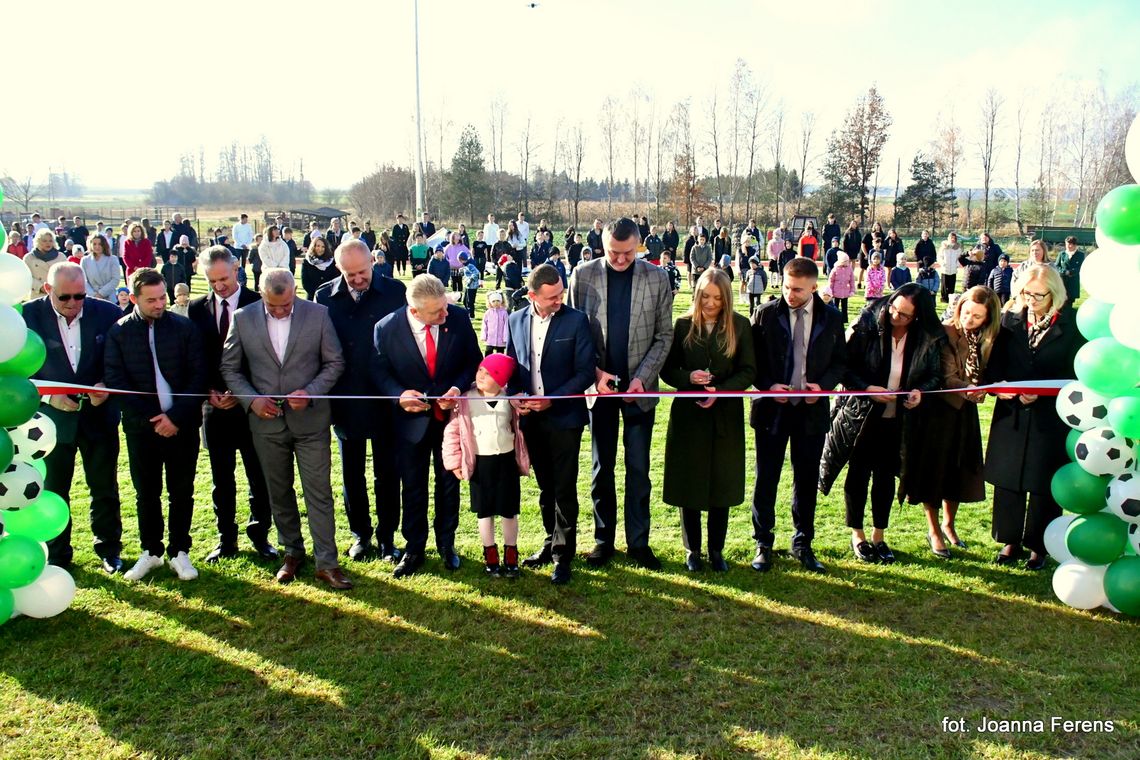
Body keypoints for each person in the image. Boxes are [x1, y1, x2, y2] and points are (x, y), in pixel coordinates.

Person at [220, 268, 351, 588]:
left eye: (287, 304)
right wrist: (251, 400)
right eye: (274, 306)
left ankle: (327, 562)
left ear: (294, 293)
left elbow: (335, 362)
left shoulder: (318, 315)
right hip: (266, 425)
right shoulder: (242, 318)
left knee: (318, 492)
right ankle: (292, 553)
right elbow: (230, 367)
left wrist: (311, 392)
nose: (282, 311)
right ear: (262, 295)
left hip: (311, 422)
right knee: (278, 491)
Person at [568, 218, 674, 570]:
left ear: (639, 245)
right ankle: (603, 540)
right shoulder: (581, 276)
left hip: (640, 393)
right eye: (614, 252)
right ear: (602, 243)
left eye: (628, 252)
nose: (620, 259)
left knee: (639, 468)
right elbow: (574, 333)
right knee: (602, 469)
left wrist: (642, 378)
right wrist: (595, 374)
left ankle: (639, 543)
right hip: (599, 392)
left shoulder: (657, 278)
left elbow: (664, 336)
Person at [819, 284, 944, 564]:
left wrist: (920, 391)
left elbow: (935, 375)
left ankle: (879, 536)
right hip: (862, 415)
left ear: (917, 317)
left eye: (903, 315)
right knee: (859, 474)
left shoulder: (926, 337)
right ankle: (858, 536)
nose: (894, 316)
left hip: (899, 418)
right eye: (893, 308)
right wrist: (867, 388)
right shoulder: (868, 321)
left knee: (886, 478)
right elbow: (844, 367)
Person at [373, 274, 483, 578]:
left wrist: (457, 389)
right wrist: (399, 396)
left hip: (449, 420)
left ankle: (447, 544)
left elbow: (473, 362)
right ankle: (414, 547)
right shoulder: (386, 329)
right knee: (413, 485)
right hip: (410, 423)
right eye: (437, 313)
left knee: (449, 483)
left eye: (445, 307)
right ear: (414, 312)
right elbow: (379, 373)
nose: (445, 315)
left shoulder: (457, 319)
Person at [104, 268, 206, 582]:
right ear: (134, 298)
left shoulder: (185, 328)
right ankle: (151, 551)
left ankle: (179, 551)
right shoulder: (119, 332)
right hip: (141, 430)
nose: (160, 304)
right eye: (152, 300)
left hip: (182, 427)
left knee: (181, 491)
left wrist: (175, 417)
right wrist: (155, 419)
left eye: (163, 297)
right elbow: (116, 382)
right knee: (146, 492)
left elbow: (198, 377)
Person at [750, 257, 847, 573]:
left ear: (815, 286)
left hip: (811, 412)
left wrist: (825, 385)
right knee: (767, 478)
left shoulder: (831, 318)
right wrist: (767, 385)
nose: (791, 295)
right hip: (771, 411)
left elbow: (840, 362)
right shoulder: (765, 314)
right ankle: (763, 543)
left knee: (806, 481)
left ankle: (803, 543)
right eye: (788, 287)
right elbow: (752, 362)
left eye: (799, 290)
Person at [313, 240, 407, 564]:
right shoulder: (324, 296)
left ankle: (387, 538)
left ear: (373, 261)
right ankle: (360, 534)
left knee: (387, 472)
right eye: (348, 274)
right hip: (346, 397)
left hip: (385, 398)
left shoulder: (396, 292)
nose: (356, 279)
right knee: (352, 473)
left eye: (362, 272)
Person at [24, 263, 123, 571]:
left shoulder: (107, 314)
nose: (73, 304)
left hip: (98, 415)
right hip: (49, 424)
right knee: (54, 490)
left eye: (79, 296)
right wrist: (50, 396)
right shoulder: (27, 318)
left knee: (104, 486)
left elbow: (121, 359)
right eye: (65, 297)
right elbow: (17, 371)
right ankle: (57, 554)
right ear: (48, 289)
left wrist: (107, 385)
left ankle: (109, 548)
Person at [985, 265, 1084, 570]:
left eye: (1039, 295)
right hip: (1012, 413)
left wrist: (1043, 394)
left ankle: (1039, 547)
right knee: (1008, 479)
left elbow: (1076, 373)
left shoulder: (1071, 325)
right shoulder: (1010, 320)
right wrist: (1001, 390)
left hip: (1051, 417)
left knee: (1044, 481)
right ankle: (1009, 541)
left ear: (1055, 294)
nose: (1032, 299)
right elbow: (995, 367)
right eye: (1027, 293)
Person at [660, 269, 756, 572]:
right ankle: (692, 550)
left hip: (724, 415)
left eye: (717, 297)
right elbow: (667, 370)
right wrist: (688, 377)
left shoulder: (740, 326)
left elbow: (749, 370)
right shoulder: (683, 325)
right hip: (689, 415)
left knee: (721, 483)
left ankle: (716, 550)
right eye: (705, 296)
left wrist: (722, 390)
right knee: (690, 481)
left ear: (726, 298)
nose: (711, 302)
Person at [186, 246, 277, 564]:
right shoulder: (197, 309)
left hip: (250, 407)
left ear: (236, 269)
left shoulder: (258, 303)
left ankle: (260, 536)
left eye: (223, 278)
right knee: (221, 479)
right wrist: (209, 392)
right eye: (212, 281)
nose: (219, 286)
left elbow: (265, 357)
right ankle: (226, 539)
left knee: (258, 475)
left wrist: (243, 395)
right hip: (214, 407)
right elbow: (196, 358)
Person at [506, 264, 596, 584]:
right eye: (552, 297)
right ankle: (549, 541)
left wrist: (553, 399)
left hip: (565, 419)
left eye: (561, 294)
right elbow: (510, 367)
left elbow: (585, 372)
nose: (560, 300)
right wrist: (514, 395)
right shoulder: (515, 320)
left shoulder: (576, 320)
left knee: (564, 487)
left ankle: (563, 555)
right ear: (533, 296)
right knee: (545, 487)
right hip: (531, 420)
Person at [906, 286, 1002, 558]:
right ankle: (934, 529)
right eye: (967, 312)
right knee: (935, 471)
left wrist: (986, 386)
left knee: (959, 469)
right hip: (939, 411)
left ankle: (949, 524)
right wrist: (968, 389)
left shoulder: (986, 337)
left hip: (964, 411)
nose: (969, 319)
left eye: (977, 316)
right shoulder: (944, 332)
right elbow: (945, 374)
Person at [442, 354, 530, 578]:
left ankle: (511, 556)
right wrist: (454, 462)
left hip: (506, 462)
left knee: (509, 511)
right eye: (480, 370)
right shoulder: (465, 400)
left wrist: (522, 403)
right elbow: (453, 432)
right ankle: (491, 557)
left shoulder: (509, 398)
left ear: (501, 381)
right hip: (481, 464)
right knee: (485, 512)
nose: (481, 375)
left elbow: (520, 424)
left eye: (489, 374)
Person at [25, 228, 68, 298]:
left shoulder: (61, 256)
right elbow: (26, 277)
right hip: (37, 295)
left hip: (57, 294)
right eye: (44, 241)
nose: (48, 243)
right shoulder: (29, 258)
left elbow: (67, 275)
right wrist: (40, 287)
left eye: (50, 241)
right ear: (38, 241)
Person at [80, 233, 120, 300]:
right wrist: (93, 295)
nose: (97, 247)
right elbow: (83, 280)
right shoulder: (85, 260)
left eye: (100, 244)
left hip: (109, 296)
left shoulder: (112, 259)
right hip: (91, 297)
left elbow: (115, 279)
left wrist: (101, 293)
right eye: (94, 244)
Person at [1055, 235, 1085, 302]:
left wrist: (1071, 272)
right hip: (1062, 282)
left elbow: (1081, 267)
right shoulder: (1061, 254)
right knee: (1060, 302)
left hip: (1073, 283)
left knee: (1069, 303)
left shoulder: (1080, 255)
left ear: (1075, 245)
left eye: (1072, 244)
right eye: (1068, 244)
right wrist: (1064, 271)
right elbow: (1056, 266)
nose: (1070, 246)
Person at [827, 251, 855, 323]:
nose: (847, 262)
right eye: (845, 261)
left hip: (845, 292)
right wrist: (830, 291)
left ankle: (844, 320)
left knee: (844, 307)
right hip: (836, 292)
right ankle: (834, 319)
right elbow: (831, 280)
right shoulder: (835, 269)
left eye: (847, 261)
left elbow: (852, 280)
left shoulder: (849, 269)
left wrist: (852, 290)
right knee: (835, 307)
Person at [461, 252, 481, 317]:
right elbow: (466, 273)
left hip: (472, 286)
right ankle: (467, 312)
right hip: (467, 286)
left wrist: (470, 279)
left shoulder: (470, 265)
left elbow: (476, 272)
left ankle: (471, 315)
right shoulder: (465, 266)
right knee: (464, 301)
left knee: (470, 301)